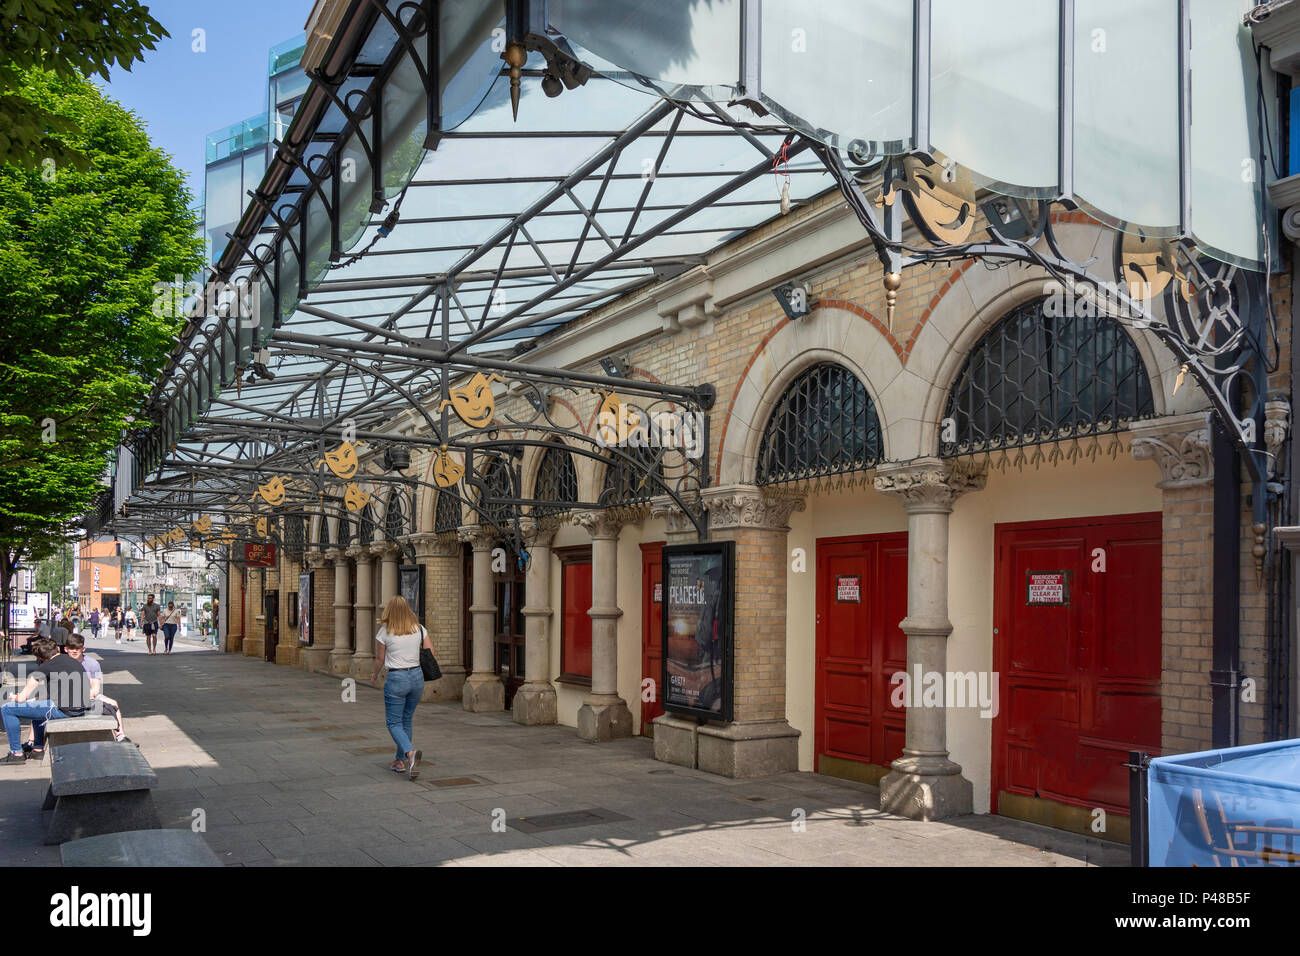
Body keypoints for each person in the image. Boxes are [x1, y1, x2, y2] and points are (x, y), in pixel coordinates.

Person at [1, 637, 87, 763]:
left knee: (7, 709)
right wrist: (30, 701)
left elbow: (22, 698)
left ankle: (16, 754)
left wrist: (17, 697)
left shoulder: (46, 666)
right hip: (79, 709)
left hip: (64, 710)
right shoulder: (72, 661)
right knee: (38, 707)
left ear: (41, 658)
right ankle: (37, 750)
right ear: (58, 649)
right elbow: (49, 695)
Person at [372, 595, 430, 780]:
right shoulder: (419, 629)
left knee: (393, 722)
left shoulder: (385, 631)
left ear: (389, 610)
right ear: (408, 609)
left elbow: (380, 658)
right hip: (417, 676)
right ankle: (399, 762)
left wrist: (374, 675)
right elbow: (431, 652)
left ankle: (410, 753)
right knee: (406, 720)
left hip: (397, 677)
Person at [62, 634, 128, 743]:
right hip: (66, 697)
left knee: (113, 704)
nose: (74, 651)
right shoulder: (61, 663)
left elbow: (95, 689)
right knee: (38, 706)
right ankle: (33, 742)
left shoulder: (92, 664)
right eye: (71, 648)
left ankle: (120, 735)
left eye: (77, 648)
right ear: (66, 649)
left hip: (88, 695)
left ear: (83, 649)